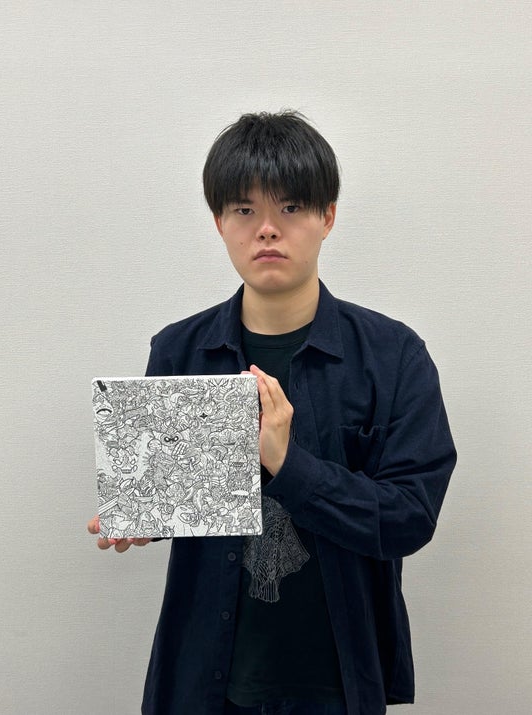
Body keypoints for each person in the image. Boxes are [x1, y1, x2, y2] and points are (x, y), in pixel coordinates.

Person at [88, 111, 457, 715]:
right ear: (219, 222)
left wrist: (288, 464)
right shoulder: (179, 351)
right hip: (205, 681)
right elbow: (186, 498)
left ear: (327, 216)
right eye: (244, 210)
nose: (266, 230)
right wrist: (146, 513)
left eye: (290, 207)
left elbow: (410, 518)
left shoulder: (393, 356)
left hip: (337, 682)